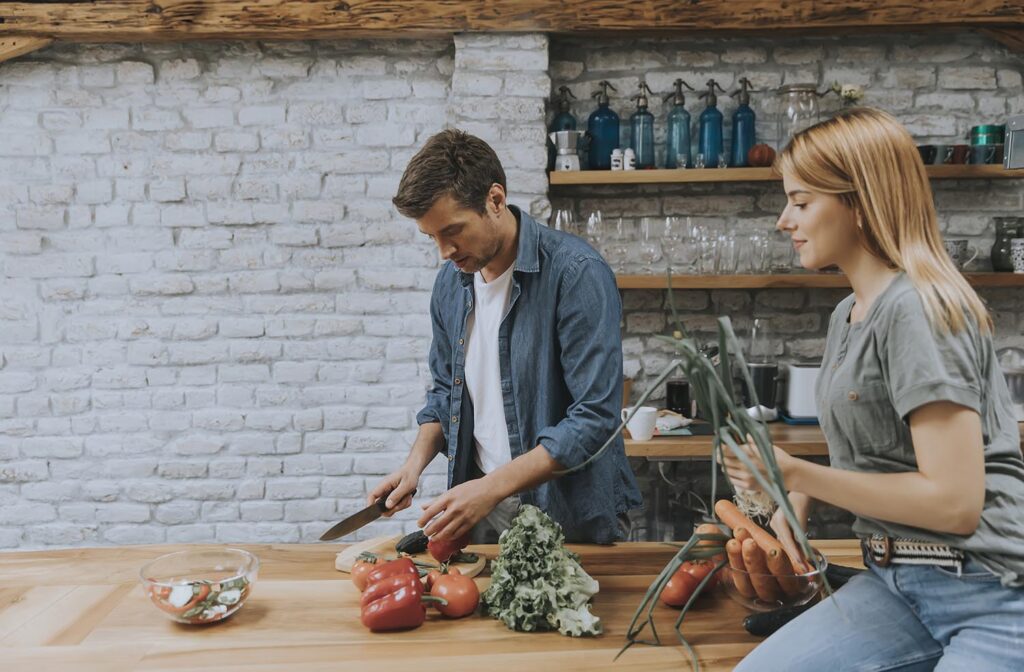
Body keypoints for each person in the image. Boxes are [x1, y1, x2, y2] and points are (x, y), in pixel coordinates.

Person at [726, 107, 1024, 671]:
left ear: (859, 203)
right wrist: (796, 502)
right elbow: (877, 451)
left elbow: (956, 504)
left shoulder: (918, 309)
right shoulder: (849, 314)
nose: (784, 221)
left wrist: (796, 475)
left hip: (990, 592)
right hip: (893, 582)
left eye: (801, 202)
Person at [366, 129, 641, 544]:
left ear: (495, 200)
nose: (444, 251)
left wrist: (490, 488)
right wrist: (413, 467)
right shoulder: (450, 285)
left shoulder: (575, 274)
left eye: (452, 230)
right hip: (484, 509)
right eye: (432, 237)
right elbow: (445, 393)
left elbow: (594, 418)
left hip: (568, 513)